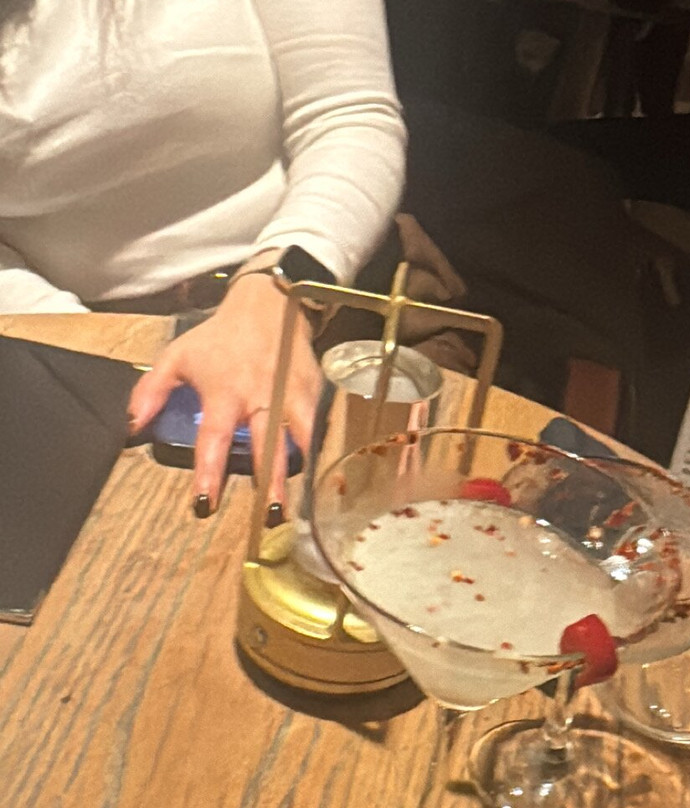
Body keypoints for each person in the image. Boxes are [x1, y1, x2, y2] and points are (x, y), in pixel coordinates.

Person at [0, 0, 407, 522]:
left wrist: (281, 288)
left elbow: (348, 114)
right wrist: (93, 349)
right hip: (60, 338)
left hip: (321, 288)